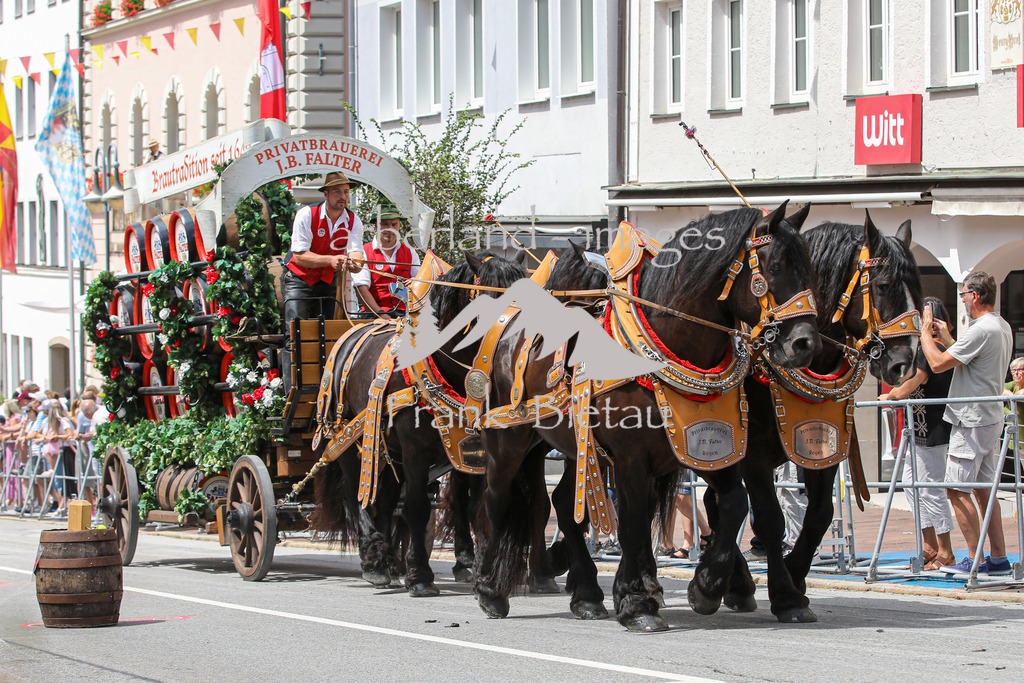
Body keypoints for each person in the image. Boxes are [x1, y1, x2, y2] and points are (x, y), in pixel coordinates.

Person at [921, 272, 1013, 577]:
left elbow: (937, 363)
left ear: (974, 295)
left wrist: (924, 333)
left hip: (971, 419)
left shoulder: (981, 329)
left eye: (963, 295)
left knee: (956, 490)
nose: (962, 301)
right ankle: (998, 558)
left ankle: (975, 557)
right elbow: (970, 359)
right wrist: (947, 337)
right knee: (984, 491)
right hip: (989, 417)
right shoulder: (1000, 325)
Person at [879, 297, 955, 570]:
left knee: (931, 489)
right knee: (913, 487)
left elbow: (916, 381)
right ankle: (929, 545)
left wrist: (893, 395)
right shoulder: (927, 346)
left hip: (932, 428)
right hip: (920, 428)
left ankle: (946, 549)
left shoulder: (934, 345)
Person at [282, 171, 365, 324]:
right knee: (295, 334)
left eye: (346, 192)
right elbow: (299, 256)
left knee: (332, 331)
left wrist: (356, 264)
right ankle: (290, 348)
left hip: (327, 280)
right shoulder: (306, 214)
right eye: (337, 192)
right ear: (325, 194)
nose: (343, 196)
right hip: (299, 279)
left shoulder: (354, 220)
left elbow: (356, 251)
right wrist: (331, 259)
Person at [352, 208, 421, 320]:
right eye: (384, 224)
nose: (390, 229)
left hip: (406, 314)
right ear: (376, 226)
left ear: (399, 226)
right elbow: (361, 288)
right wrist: (380, 314)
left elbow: (422, 282)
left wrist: (416, 281)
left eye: (394, 224)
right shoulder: (363, 252)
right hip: (373, 315)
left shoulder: (410, 252)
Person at [660, 467, 711, 558]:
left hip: (685, 456)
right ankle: (686, 544)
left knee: (681, 498)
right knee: (680, 497)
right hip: (674, 456)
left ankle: (707, 533)